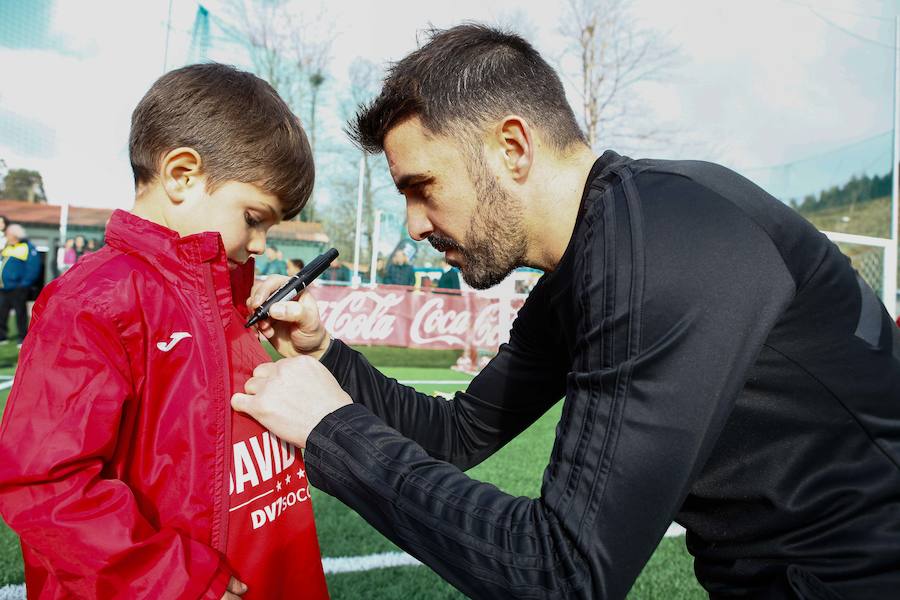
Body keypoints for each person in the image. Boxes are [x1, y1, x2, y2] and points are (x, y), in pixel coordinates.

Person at [232, 25, 900, 600]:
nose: (413, 225)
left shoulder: (661, 244)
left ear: (512, 148)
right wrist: (326, 357)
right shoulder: (595, 258)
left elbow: (562, 574)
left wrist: (333, 433)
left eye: (421, 187)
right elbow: (453, 435)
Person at [0, 63, 328, 600]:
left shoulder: (236, 300)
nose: (262, 244)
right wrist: (176, 582)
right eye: (254, 218)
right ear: (182, 175)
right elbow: (46, 483)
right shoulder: (94, 303)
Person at [0, 224, 40, 346]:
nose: (7, 236)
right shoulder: (7, 247)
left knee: (20, 313)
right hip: (4, 287)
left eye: (8, 234)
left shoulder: (27, 247)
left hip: (18, 287)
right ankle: (2, 336)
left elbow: (33, 268)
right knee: (2, 312)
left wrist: (24, 283)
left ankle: (22, 338)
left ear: (15, 235)